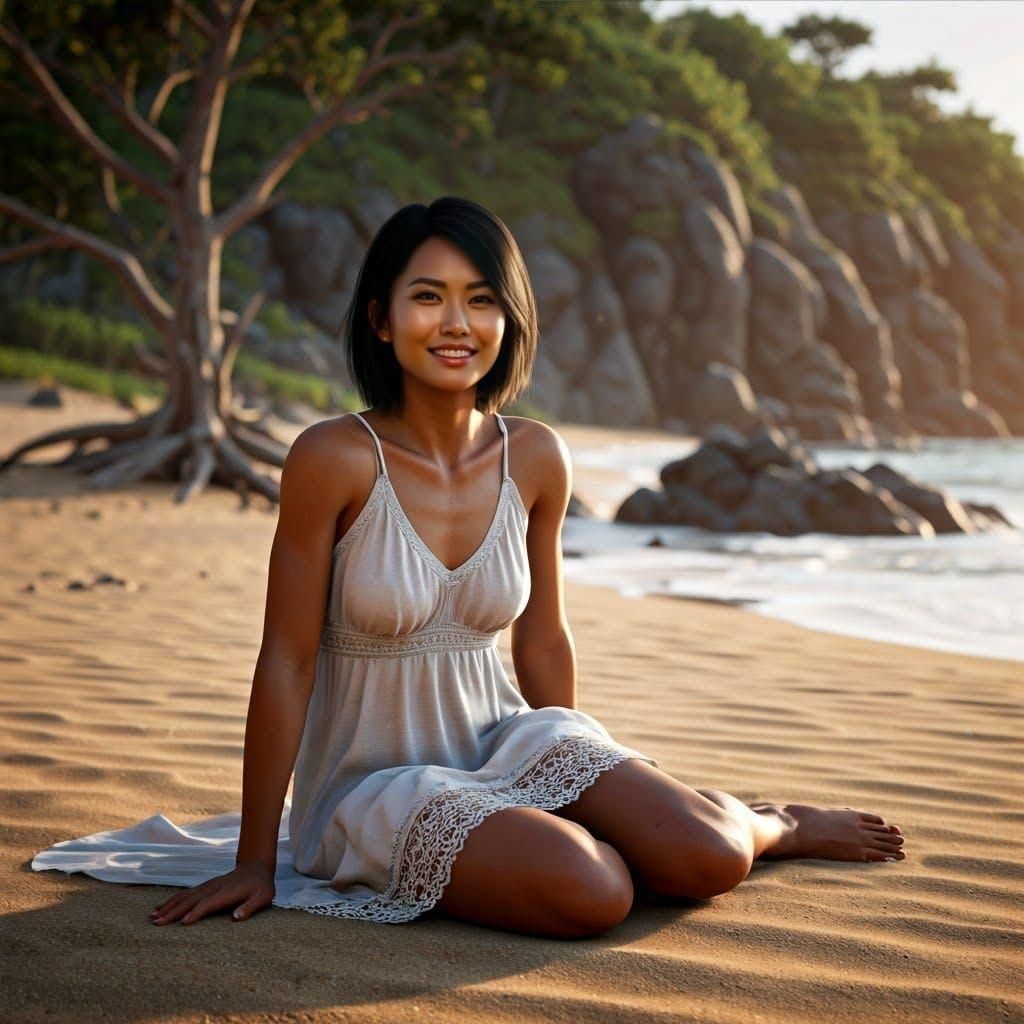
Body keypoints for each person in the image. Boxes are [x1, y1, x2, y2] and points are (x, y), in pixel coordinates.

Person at [34, 196, 905, 939]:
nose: (456, 323)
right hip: (375, 784)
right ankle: (578, 841)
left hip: (503, 735)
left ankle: (771, 821)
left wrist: (581, 769)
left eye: (480, 299)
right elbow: (287, 660)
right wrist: (259, 858)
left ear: (508, 316)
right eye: (428, 297)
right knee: (595, 891)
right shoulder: (333, 458)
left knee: (704, 857)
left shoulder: (537, 458)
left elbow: (545, 635)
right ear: (382, 318)